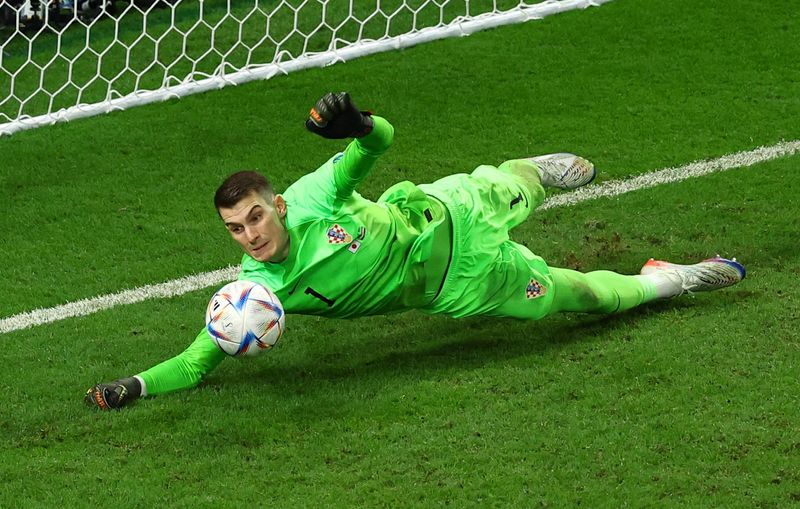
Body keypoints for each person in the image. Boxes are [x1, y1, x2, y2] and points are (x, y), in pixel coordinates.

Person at [85, 92, 746, 410]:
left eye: (256, 216)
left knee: (514, 185)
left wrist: (361, 125)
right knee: (582, 299)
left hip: (445, 210)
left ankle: (529, 171)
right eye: (236, 229)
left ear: (277, 204)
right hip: (459, 284)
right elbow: (197, 361)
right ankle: (668, 279)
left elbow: (378, 145)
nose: (251, 234)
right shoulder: (257, 297)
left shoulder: (314, 194)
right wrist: (132, 385)